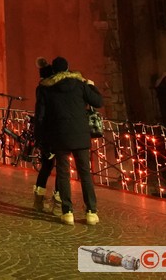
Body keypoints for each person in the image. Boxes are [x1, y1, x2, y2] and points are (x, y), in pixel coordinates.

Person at [41, 56, 105, 225]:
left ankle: (67, 212)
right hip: (80, 135)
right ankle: (91, 212)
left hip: (60, 135)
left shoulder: (49, 88)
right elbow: (98, 101)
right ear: (69, 68)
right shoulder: (81, 85)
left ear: (54, 71)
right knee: (85, 174)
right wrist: (92, 86)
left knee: (63, 173)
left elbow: (45, 115)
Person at [31, 57, 57, 212]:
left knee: (46, 166)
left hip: (46, 132)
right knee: (60, 167)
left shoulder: (42, 89)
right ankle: (59, 200)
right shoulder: (56, 89)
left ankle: (39, 197)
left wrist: (39, 136)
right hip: (58, 132)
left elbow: (40, 114)